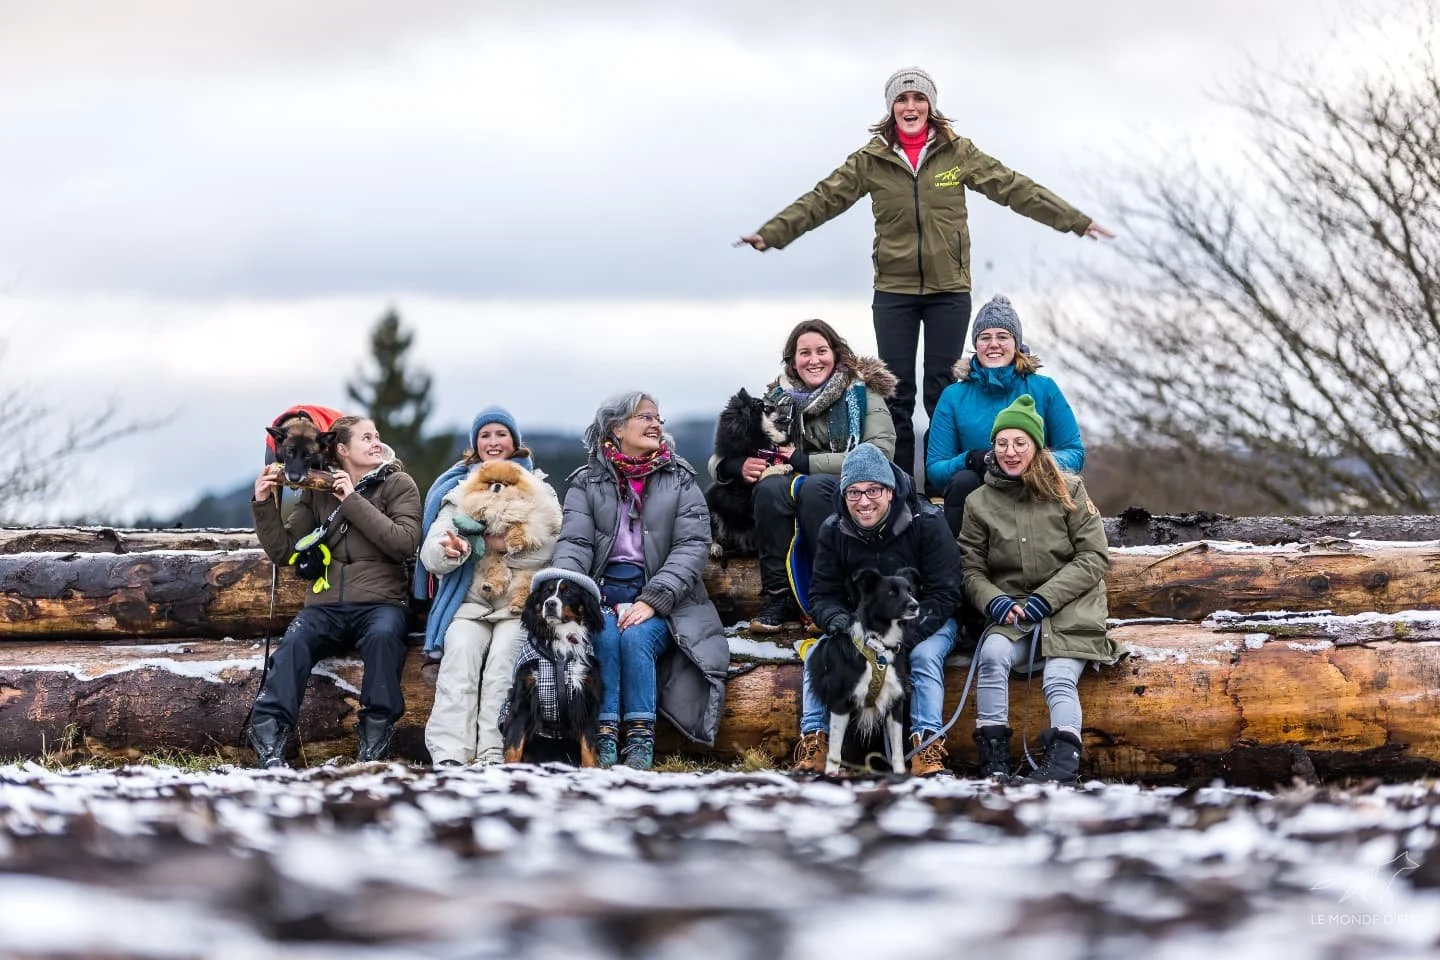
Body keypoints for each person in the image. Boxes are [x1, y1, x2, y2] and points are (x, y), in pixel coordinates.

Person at [737, 66, 1112, 477]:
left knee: (941, 390)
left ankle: (938, 483)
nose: (910, 106)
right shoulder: (871, 160)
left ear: (931, 107)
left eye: (919, 99)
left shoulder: (958, 153)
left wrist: (1076, 221)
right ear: (891, 108)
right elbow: (821, 200)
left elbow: (1015, 188)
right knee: (895, 394)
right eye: (902, 99)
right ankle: (895, 485)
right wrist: (771, 233)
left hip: (949, 289)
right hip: (894, 291)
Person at [552, 391, 729, 770]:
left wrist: (653, 599)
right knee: (606, 633)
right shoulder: (587, 482)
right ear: (617, 428)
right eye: (645, 417)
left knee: (635, 637)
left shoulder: (680, 479)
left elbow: (692, 547)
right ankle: (603, 739)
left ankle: (640, 743)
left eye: (658, 419)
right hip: (601, 594)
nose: (656, 425)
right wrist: (577, 595)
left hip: (667, 599)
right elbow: (575, 544)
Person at [958, 396, 1122, 783]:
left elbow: (1094, 557)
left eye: (1020, 443)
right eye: (1002, 443)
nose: (1010, 452)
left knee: (1058, 677)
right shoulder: (978, 502)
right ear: (993, 448)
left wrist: (1045, 599)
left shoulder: (1070, 490)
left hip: (1072, 608)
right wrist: (994, 602)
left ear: (1036, 446)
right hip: (1013, 611)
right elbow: (971, 569)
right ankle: (994, 761)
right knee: (994, 654)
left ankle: (1062, 767)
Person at [247, 415, 422, 767]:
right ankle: (268, 736)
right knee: (294, 642)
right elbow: (285, 552)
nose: (376, 442)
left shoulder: (398, 484)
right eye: (366, 438)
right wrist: (264, 502)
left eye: (377, 435)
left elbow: (403, 544)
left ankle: (374, 740)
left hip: (381, 603)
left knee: (385, 637)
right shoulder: (317, 492)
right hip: (325, 605)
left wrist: (352, 500)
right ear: (341, 449)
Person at [709, 319, 897, 632]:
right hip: (791, 492)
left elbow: (879, 454)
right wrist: (735, 465)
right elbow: (721, 453)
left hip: (855, 490)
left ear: (835, 354)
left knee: (814, 487)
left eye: (822, 351)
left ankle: (832, 595)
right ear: (793, 361)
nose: (814, 360)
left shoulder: (863, 396)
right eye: (804, 353)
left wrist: (804, 461)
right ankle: (779, 597)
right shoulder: (777, 400)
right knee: (771, 488)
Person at [792, 442, 962, 776]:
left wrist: (902, 638)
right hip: (863, 626)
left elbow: (945, 594)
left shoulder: (926, 522)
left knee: (924, 657)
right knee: (817, 654)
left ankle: (926, 748)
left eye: (873, 490)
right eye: (853, 492)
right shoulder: (833, 529)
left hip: (927, 619)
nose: (863, 501)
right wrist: (841, 623)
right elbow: (822, 595)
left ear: (889, 490)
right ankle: (815, 740)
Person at [416, 407, 561, 767]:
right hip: (468, 604)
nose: (493, 442)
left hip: (518, 601)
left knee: (503, 664)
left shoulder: (539, 487)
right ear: (475, 444)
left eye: (500, 434)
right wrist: (450, 551)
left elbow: (553, 542)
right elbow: (432, 550)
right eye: (485, 435)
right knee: (460, 659)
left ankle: (494, 752)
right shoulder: (455, 492)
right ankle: (450, 754)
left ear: (514, 441)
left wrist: (504, 545)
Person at [926, 294, 1084, 535]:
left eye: (1003, 336)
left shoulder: (1045, 388)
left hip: (1033, 489)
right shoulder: (953, 396)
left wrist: (1035, 463)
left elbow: (1074, 452)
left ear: (1016, 343)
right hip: (979, 493)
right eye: (985, 337)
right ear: (975, 345)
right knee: (962, 481)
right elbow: (936, 469)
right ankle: (959, 563)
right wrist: (969, 460)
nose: (994, 344)